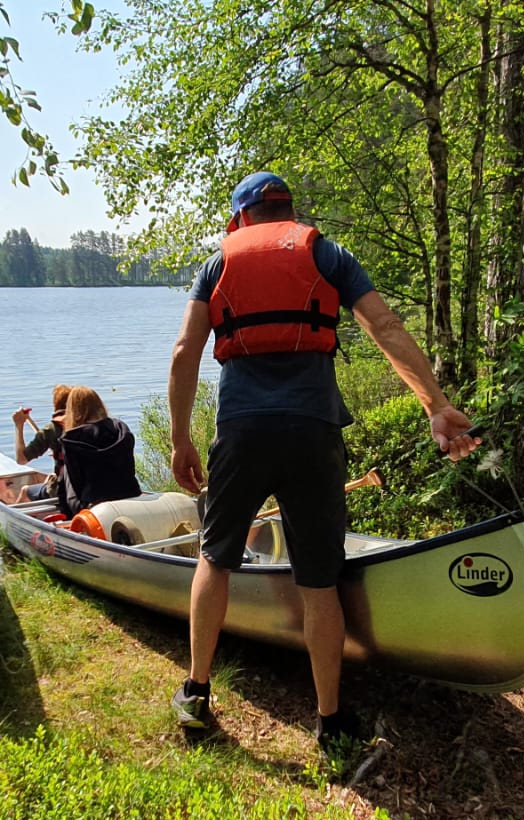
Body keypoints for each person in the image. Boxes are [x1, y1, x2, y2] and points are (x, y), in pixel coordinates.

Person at [166, 171, 479, 758]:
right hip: (313, 433)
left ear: (239, 220)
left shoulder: (216, 266)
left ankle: (196, 692)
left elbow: (185, 350)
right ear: (289, 211)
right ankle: (331, 721)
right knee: (319, 579)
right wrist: (435, 406)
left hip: (242, 433)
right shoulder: (329, 254)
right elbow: (385, 327)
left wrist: (181, 439)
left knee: (216, 556)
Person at [54, 385, 142, 516]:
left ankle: (66, 518)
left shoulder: (71, 439)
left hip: (93, 504)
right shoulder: (120, 429)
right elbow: (130, 467)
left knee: (64, 472)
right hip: (131, 492)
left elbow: (76, 484)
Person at [9, 384, 72, 502]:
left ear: (56, 405)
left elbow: (21, 459)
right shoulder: (87, 425)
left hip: (66, 489)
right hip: (88, 485)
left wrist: (19, 425)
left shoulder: (52, 429)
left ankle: (12, 520)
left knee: (25, 491)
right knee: (49, 478)